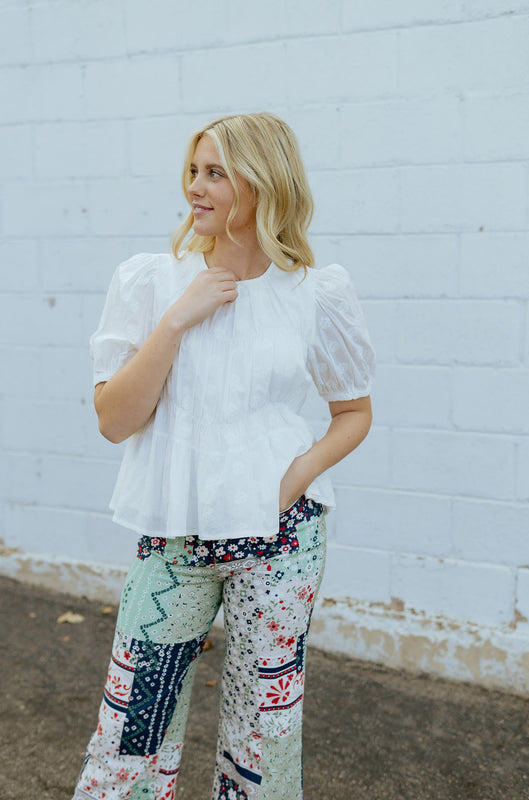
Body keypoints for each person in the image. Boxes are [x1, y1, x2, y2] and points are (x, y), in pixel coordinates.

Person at [72, 111, 375, 800]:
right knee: (133, 722)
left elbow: (352, 414)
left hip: (283, 535)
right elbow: (113, 421)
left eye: (214, 172)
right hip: (174, 538)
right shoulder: (150, 280)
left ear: (263, 182)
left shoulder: (313, 292)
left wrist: (291, 479)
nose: (194, 188)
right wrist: (178, 318)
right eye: (192, 171)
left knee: (263, 730)